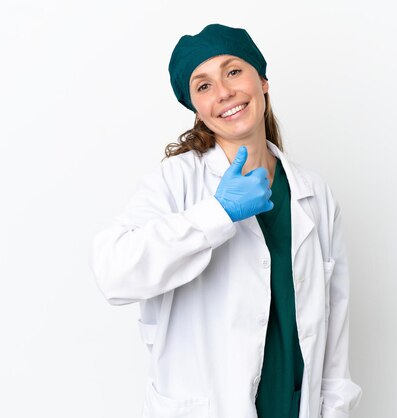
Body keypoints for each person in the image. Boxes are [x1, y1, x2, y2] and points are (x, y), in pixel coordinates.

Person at [90, 23, 361, 418]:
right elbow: (114, 272)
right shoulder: (177, 180)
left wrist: (335, 410)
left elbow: (335, 325)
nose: (223, 93)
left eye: (233, 71)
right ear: (196, 108)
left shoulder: (313, 193)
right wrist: (216, 214)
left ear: (262, 80)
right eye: (203, 86)